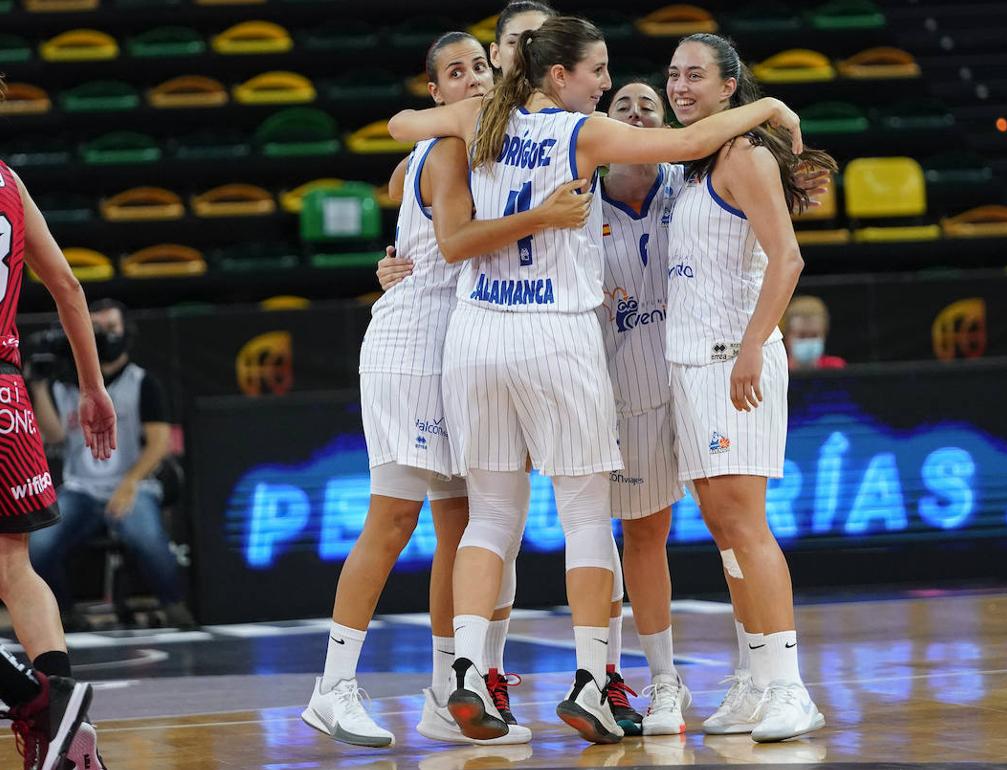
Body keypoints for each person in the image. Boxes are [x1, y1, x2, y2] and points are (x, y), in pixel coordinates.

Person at [388, 15, 804, 744]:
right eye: (598, 72)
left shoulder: (478, 117)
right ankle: (595, 679)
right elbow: (684, 141)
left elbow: (399, 128)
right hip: (556, 332)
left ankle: (461, 670)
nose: (609, 84)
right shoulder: (580, 134)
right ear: (561, 76)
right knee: (586, 517)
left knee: (489, 518)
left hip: (477, 332)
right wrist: (767, 106)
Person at [304, 30, 589, 748]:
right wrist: (546, 217)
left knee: (461, 530)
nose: (470, 80)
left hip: (460, 350)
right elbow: (459, 240)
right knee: (392, 520)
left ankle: (445, 689)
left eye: (479, 68)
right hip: (410, 347)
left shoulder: (484, 146)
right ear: (435, 93)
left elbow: (407, 189)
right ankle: (332, 687)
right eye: (453, 73)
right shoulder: (452, 146)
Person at [664, 33, 835, 742]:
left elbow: (787, 259)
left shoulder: (746, 155)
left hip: (733, 358)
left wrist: (753, 349)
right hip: (690, 364)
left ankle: (790, 687)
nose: (679, 86)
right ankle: (754, 676)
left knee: (745, 522)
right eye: (673, 73)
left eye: (695, 75)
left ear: (730, 86)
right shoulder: (698, 161)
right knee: (722, 527)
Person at [0, 111, 115, 767]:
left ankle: (36, 700)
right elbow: (67, 286)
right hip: (7, 394)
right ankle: (66, 730)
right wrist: (92, 387)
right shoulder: (10, 181)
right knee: (13, 568)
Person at [597, 80, 689, 735]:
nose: (634, 112)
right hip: (622, 389)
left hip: (699, 378)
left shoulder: (692, 185)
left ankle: (759, 675)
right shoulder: (575, 201)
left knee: (737, 526)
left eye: (647, 105)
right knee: (639, 537)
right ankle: (658, 681)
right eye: (621, 106)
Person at [28, 299, 191, 632]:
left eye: (109, 328)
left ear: (125, 334)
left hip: (132, 485)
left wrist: (129, 483)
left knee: (147, 538)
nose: (103, 336)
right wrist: (39, 385)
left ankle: (174, 604)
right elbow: (54, 434)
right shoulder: (67, 383)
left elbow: (159, 443)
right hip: (82, 488)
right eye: (95, 329)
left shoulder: (141, 382)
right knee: (38, 543)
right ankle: (63, 613)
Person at [782, 295, 844, 370]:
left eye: (814, 335)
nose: (808, 341)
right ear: (787, 337)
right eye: (802, 336)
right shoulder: (779, 370)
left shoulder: (836, 368)